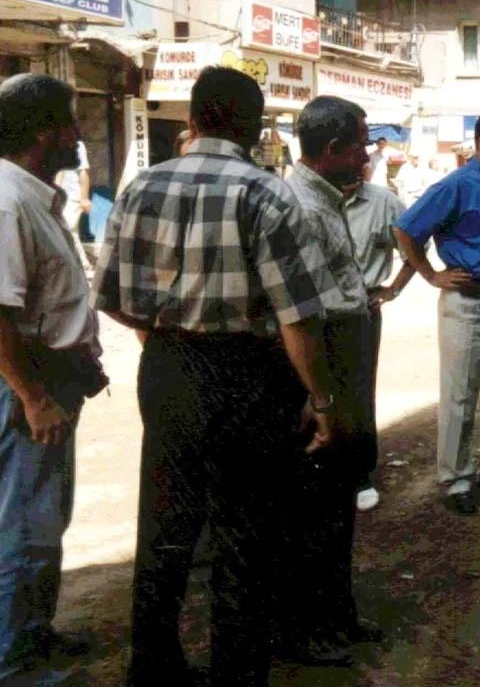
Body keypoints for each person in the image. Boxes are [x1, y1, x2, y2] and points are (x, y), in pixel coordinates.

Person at [92, 66, 339, 686]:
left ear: (195, 119)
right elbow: (297, 316)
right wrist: (321, 397)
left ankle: (152, 667)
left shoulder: (142, 187)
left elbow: (114, 296)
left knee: (166, 523)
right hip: (247, 373)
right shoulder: (267, 193)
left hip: (169, 366)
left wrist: (165, 337)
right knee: (245, 532)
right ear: (255, 127)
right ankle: (236, 672)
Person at [0, 74, 107, 687]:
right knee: (25, 524)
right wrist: (34, 398)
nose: (78, 137)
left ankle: (33, 635)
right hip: (29, 385)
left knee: (42, 518)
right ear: (45, 133)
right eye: (70, 124)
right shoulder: (10, 201)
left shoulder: (33, 196)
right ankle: (13, 662)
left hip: (48, 381)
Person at [278, 96, 382, 665]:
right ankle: (308, 629)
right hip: (327, 368)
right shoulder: (303, 208)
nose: (367, 155)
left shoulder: (324, 199)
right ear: (334, 150)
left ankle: (335, 614)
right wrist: (321, 397)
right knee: (314, 512)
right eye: (361, 145)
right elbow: (304, 317)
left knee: (337, 502)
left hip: (344, 365)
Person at [395, 111, 480, 516]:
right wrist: (431, 274)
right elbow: (405, 230)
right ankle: (457, 478)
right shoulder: (455, 184)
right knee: (461, 394)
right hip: (468, 302)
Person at [343, 165, 418, 511]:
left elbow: (413, 248)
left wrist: (393, 290)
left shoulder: (384, 201)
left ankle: (359, 473)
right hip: (312, 309)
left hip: (362, 310)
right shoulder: (306, 196)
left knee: (358, 392)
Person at [54, 140, 93, 279]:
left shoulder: (77, 145)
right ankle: (80, 265)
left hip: (72, 196)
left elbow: (84, 172)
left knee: (67, 229)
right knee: (68, 231)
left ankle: (83, 265)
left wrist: (84, 198)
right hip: (58, 195)